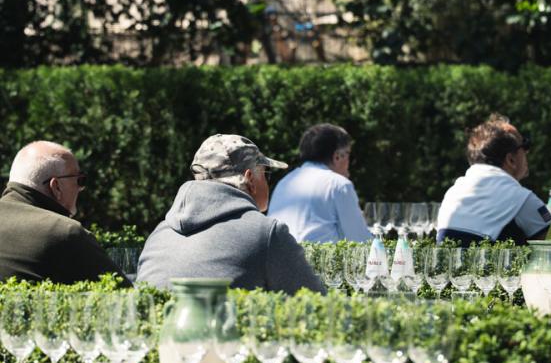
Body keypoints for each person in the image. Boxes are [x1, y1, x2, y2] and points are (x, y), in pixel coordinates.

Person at [137, 134, 326, 293]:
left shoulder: (159, 234)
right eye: (266, 174)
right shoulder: (266, 233)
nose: (268, 182)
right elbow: (316, 302)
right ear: (250, 179)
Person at [0, 140, 125, 283]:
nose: (81, 188)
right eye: (80, 180)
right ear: (56, 187)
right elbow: (126, 294)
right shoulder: (65, 232)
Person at [436, 114, 551, 246]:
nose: (527, 152)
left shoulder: (453, 193)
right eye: (525, 145)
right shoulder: (522, 199)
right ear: (511, 160)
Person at [267, 123, 372, 243]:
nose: (349, 161)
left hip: (274, 254)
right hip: (312, 255)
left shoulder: (284, 182)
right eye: (349, 154)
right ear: (337, 156)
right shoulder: (338, 184)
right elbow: (361, 240)